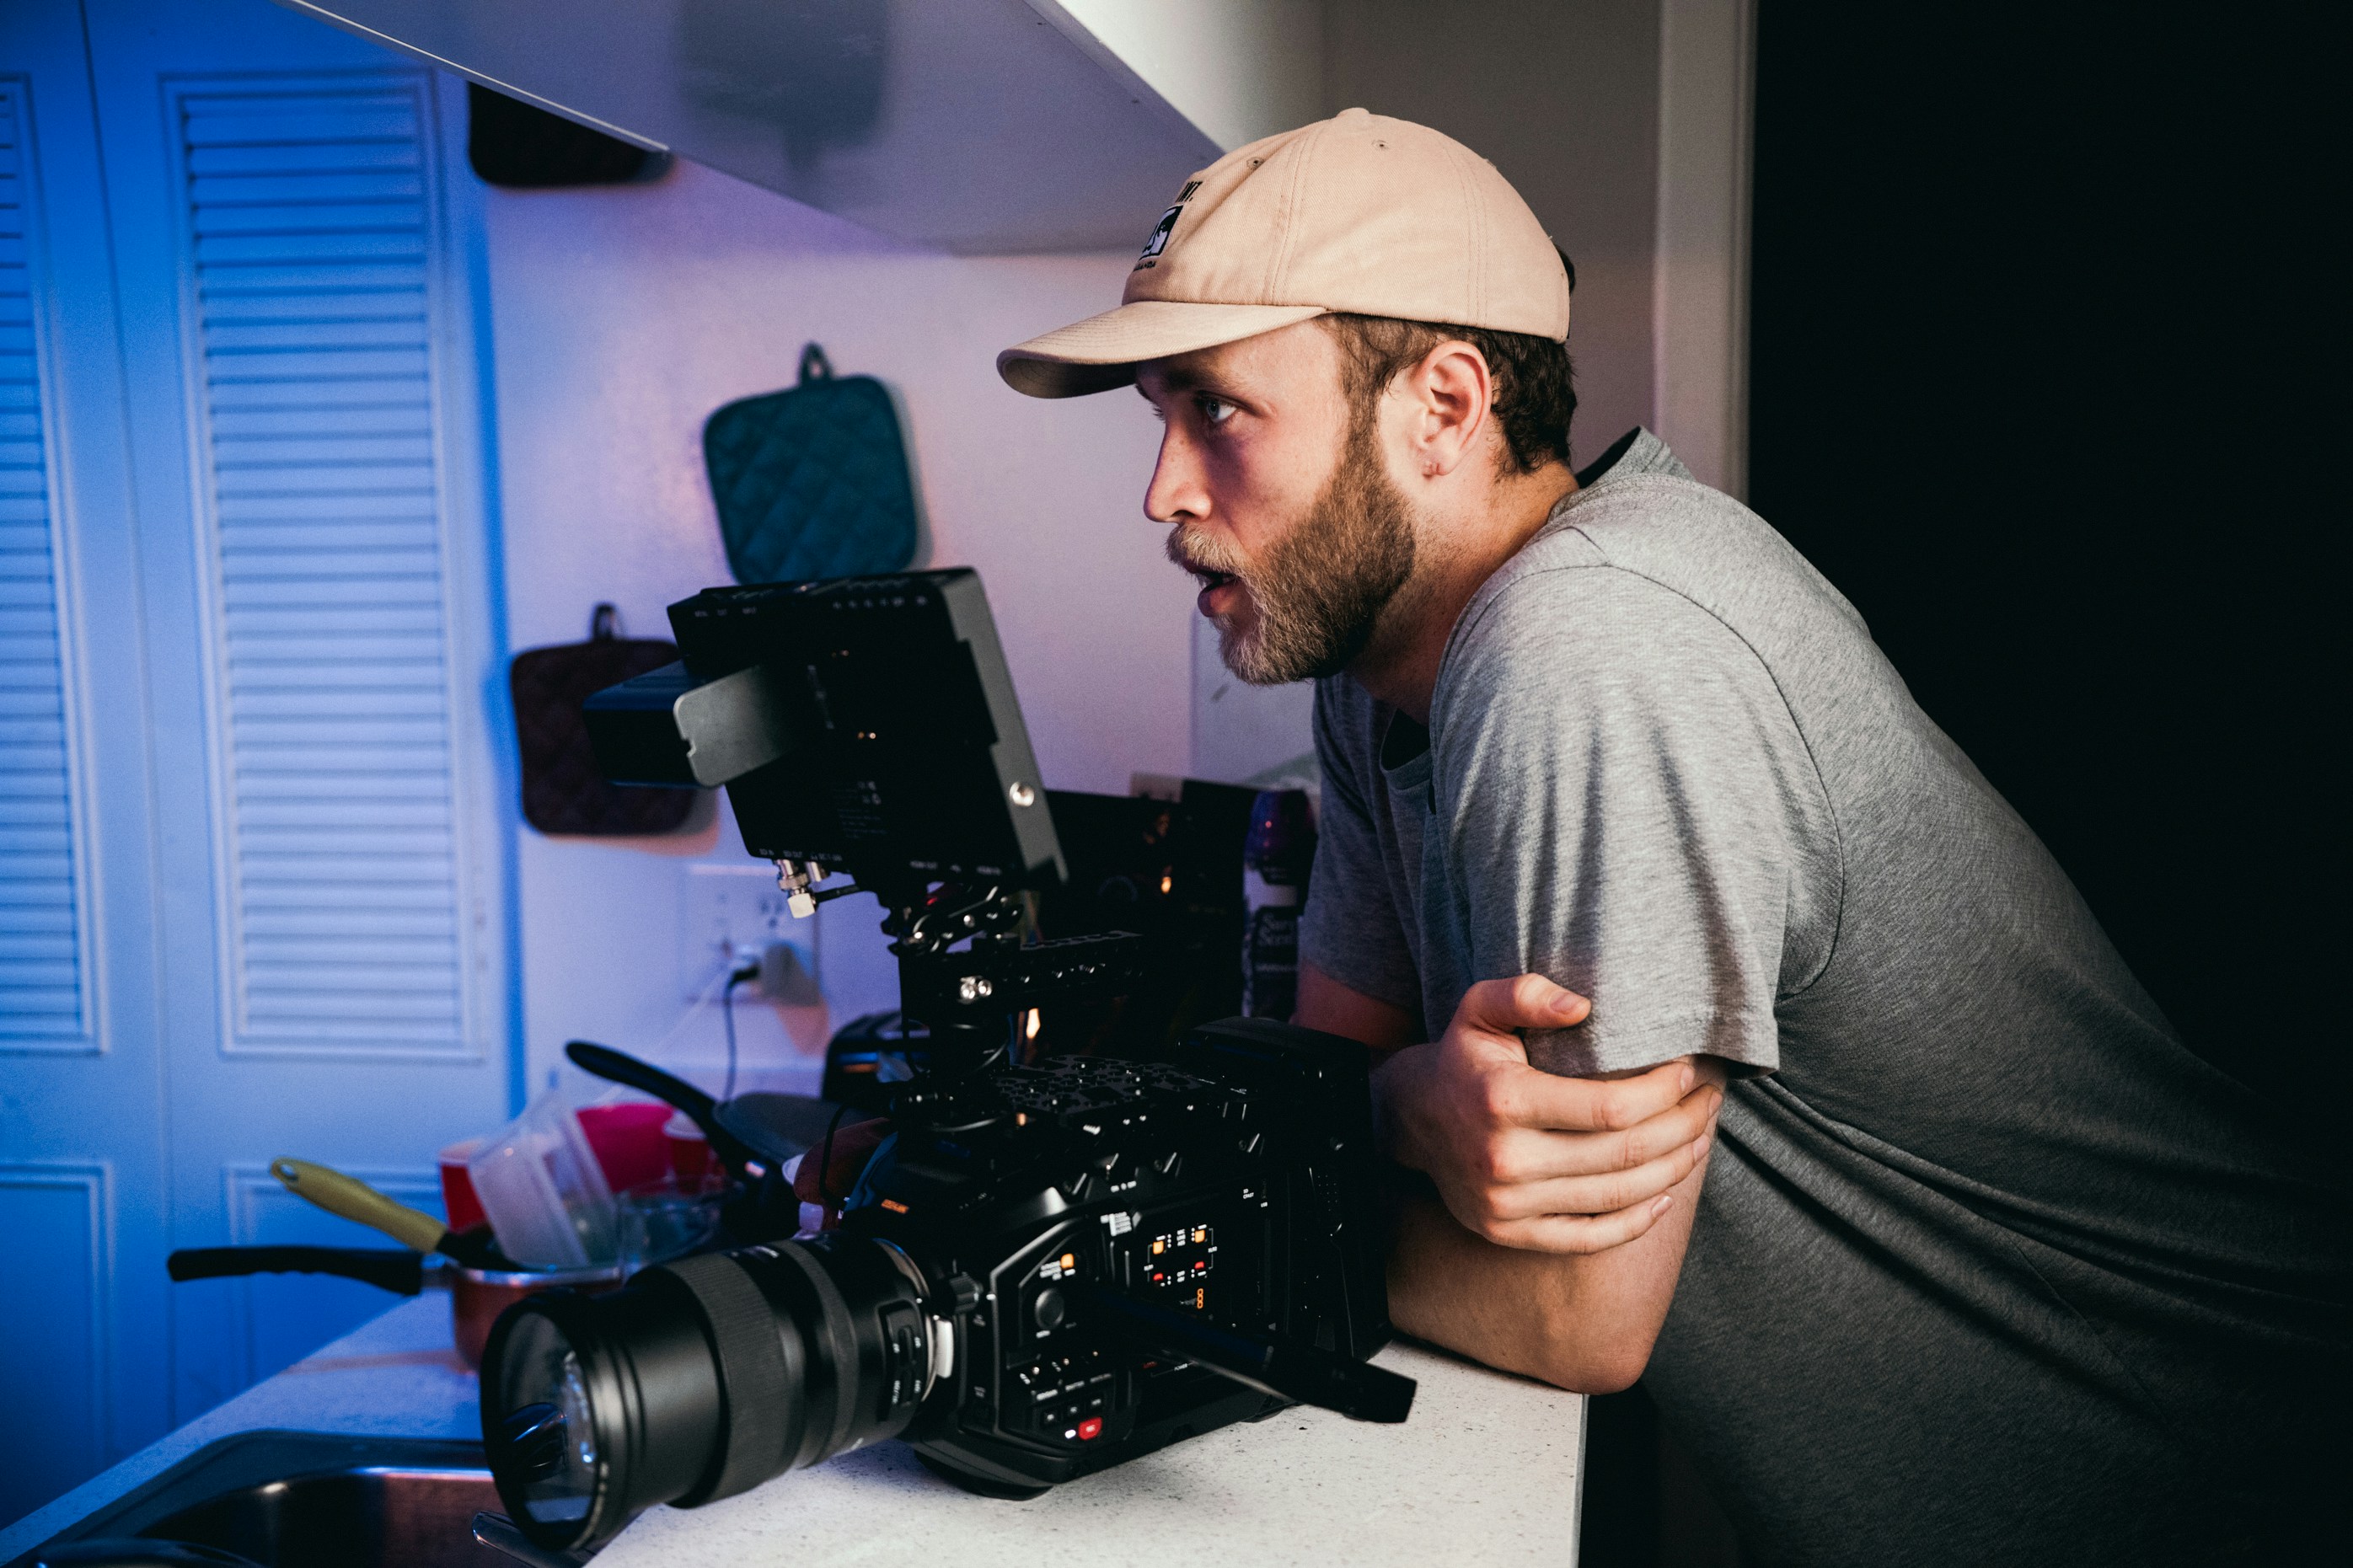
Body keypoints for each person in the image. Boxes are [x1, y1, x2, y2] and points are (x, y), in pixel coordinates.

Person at [978, 109, 2351, 1563]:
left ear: (1443, 408)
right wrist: (1392, 1115)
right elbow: (1336, 1083)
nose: (1165, 491)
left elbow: (1567, 1311)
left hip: (2235, 1487)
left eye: (1219, 410)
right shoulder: (1375, 664)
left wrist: (1314, 1169)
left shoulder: (1591, 642)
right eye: (1160, 419)